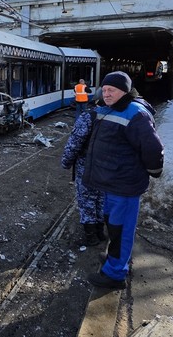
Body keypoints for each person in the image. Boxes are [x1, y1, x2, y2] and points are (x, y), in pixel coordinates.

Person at [82, 71, 164, 290]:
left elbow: (152, 147)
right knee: (113, 225)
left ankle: (115, 274)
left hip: (124, 185)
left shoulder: (135, 113)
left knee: (121, 229)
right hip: (112, 182)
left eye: (112, 90)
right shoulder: (110, 109)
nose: (106, 94)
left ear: (125, 92)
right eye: (105, 89)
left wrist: (154, 169)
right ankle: (114, 259)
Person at [60, 100, 106, 246]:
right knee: (101, 199)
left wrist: (66, 162)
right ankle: (100, 231)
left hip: (87, 167)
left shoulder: (89, 117)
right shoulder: (120, 117)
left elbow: (74, 143)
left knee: (87, 200)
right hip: (108, 168)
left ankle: (91, 236)